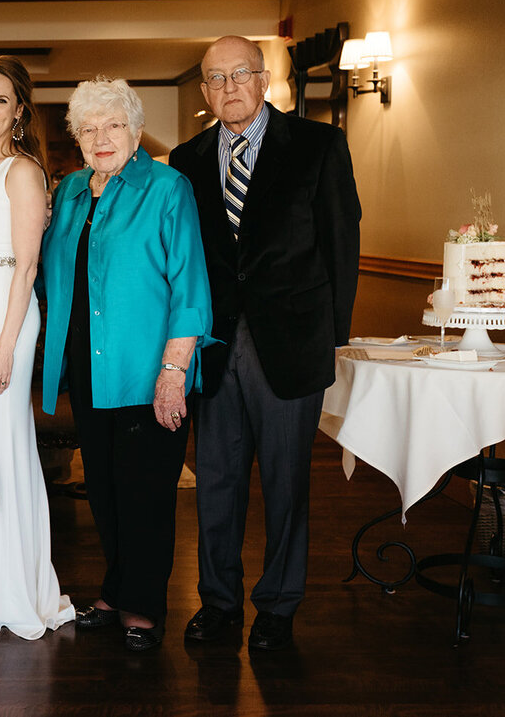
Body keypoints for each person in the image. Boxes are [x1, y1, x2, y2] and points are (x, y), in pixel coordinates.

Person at [169, 36, 361, 651]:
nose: (228, 88)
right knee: (217, 482)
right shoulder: (186, 159)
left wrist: (331, 338)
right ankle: (218, 602)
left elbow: (341, 244)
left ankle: (278, 608)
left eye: (239, 75)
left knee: (286, 484)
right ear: (203, 91)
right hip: (215, 345)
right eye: (215, 79)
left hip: (292, 342)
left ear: (264, 80)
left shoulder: (317, 145)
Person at [40, 77, 213, 652]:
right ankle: (115, 591)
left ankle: (142, 604)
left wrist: (174, 372)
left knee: (146, 494)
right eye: (88, 129)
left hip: (147, 372)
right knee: (106, 491)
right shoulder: (67, 192)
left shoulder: (167, 188)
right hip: (90, 369)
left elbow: (189, 287)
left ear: (135, 131)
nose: (101, 137)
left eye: (113, 125)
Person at [0, 55, 74, 640]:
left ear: (20, 111)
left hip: (7, 322)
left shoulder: (23, 171)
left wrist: (3, 348)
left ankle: (9, 590)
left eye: (1, 100)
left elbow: (26, 267)